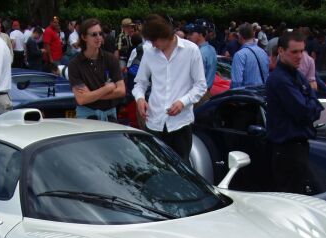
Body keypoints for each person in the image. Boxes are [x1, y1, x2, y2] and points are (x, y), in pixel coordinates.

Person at [132, 14, 207, 163]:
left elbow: (200, 85)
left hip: (180, 124)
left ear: (166, 34)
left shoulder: (191, 50)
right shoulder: (149, 53)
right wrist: (140, 98)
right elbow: (140, 83)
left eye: (155, 40)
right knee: (155, 169)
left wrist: (183, 102)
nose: (153, 45)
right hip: (154, 122)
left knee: (182, 170)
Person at [266, 31, 324, 194]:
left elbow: (313, 101)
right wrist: (311, 102)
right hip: (287, 149)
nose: (300, 56)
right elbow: (304, 112)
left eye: (302, 51)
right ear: (281, 51)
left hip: (297, 146)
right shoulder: (280, 79)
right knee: (290, 197)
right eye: (294, 52)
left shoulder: (296, 74)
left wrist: (311, 102)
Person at [68, 18, 125, 121]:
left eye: (100, 33)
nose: (99, 37)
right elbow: (81, 99)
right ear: (84, 37)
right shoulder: (74, 64)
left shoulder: (111, 59)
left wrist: (91, 95)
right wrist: (108, 88)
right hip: (86, 117)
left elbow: (121, 91)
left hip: (110, 116)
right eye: (94, 34)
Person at [231, 23, 269, 88]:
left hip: (247, 95)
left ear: (240, 36)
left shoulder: (240, 55)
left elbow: (236, 82)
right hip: (262, 94)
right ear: (253, 35)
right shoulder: (263, 52)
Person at [186, 24, 217, 103]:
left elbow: (196, 76)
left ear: (200, 35)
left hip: (199, 93)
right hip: (206, 91)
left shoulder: (199, 52)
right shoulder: (212, 49)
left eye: (192, 34)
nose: (189, 36)